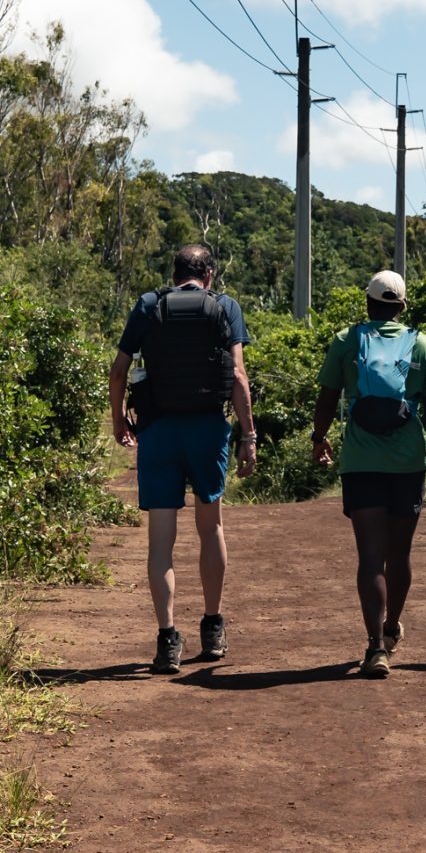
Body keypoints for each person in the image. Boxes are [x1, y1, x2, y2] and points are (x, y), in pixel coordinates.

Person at [109, 245, 257, 675]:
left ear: (174, 274)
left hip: (158, 431)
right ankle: (213, 626)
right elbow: (238, 376)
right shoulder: (225, 307)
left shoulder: (148, 306)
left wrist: (120, 422)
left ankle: (167, 640)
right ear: (208, 273)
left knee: (161, 541)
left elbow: (119, 371)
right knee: (210, 527)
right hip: (208, 430)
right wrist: (248, 434)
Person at [310, 270, 426, 679]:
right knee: (399, 554)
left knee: (370, 556)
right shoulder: (424, 345)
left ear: (368, 304)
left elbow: (327, 395)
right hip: (408, 463)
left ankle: (374, 648)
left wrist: (319, 438)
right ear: (402, 306)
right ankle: (391, 630)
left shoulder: (346, 340)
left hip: (360, 461)